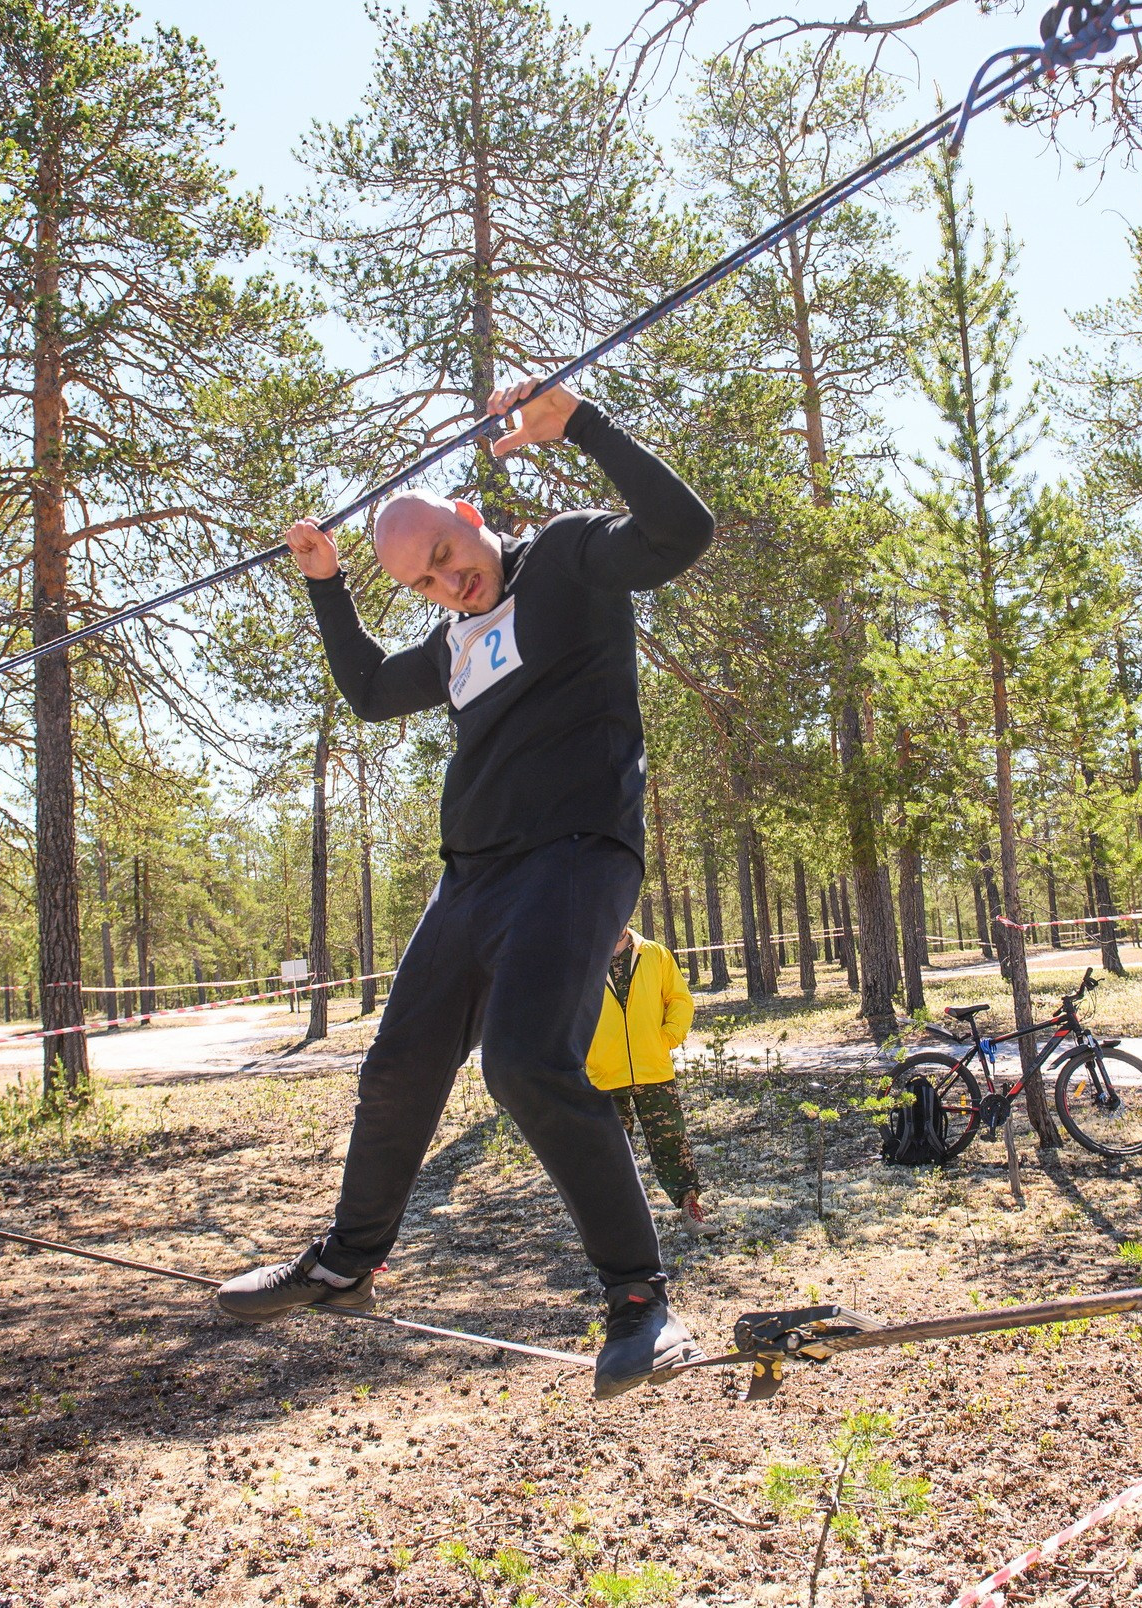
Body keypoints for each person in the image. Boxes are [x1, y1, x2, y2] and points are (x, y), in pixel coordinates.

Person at [215, 377, 716, 1399]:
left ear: (474, 518)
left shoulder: (570, 557)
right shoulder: (448, 648)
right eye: (426, 583)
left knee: (527, 1064)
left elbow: (680, 532)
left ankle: (638, 1300)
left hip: (576, 854)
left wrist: (578, 424)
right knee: (397, 1066)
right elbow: (363, 692)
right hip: (473, 880)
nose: (449, 584)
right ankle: (347, 1264)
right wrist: (326, 582)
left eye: (449, 554)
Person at [586, 925, 708, 1224]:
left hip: (653, 1070)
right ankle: (615, 1222)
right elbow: (566, 1010)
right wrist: (585, 1051)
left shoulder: (653, 953)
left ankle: (689, 1207)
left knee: (671, 1142)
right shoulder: (583, 958)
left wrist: (667, 1036)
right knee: (609, 1151)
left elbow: (679, 999)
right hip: (604, 1075)